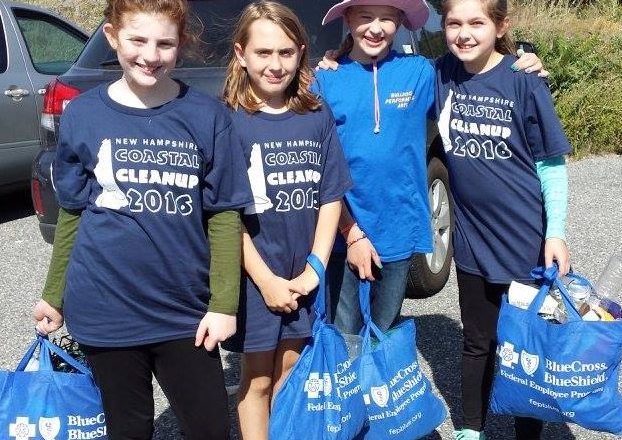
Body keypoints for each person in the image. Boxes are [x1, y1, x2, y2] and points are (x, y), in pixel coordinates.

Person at [32, 0, 253, 438]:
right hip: (105, 308)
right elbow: (74, 213)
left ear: (181, 45)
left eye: (165, 43)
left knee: (209, 427)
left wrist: (224, 305)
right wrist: (53, 295)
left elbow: (225, 215)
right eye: (137, 40)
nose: (150, 55)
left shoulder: (207, 116)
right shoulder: (83, 113)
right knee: (128, 428)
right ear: (113, 36)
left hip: (184, 312)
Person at [435, 0, 571, 439]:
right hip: (473, 242)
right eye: (454, 22)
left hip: (524, 241)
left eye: (477, 22)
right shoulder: (440, 74)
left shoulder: (523, 81)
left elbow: (551, 164)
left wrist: (556, 234)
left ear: (500, 26)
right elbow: (381, 63)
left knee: (523, 343)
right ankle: (471, 429)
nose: (464, 34)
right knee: (477, 341)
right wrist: (337, 54)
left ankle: (526, 432)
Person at [220, 2, 352, 440]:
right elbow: (225, 216)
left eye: (285, 52)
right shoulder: (229, 122)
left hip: (305, 276)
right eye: (263, 53)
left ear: (301, 52)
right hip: (256, 277)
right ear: (241, 54)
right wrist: (266, 281)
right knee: (256, 378)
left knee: (293, 369)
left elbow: (330, 195)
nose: (275, 65)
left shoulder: (316, 116)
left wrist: (316, 266)